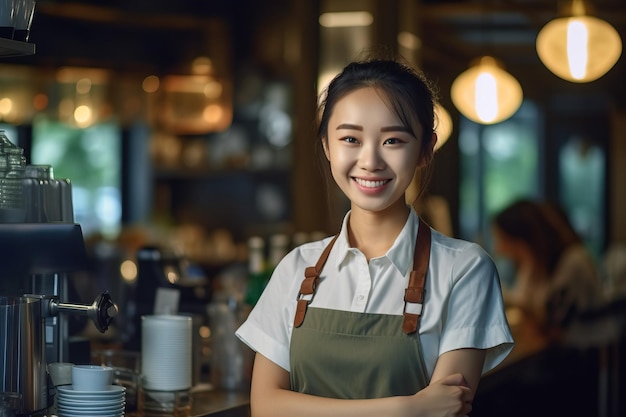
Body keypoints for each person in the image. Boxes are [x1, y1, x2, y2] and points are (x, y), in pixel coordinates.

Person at [235, 55, 514, 417]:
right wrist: (406, 408)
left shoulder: (464, 270)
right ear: (326, 147)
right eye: (350, 138)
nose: (370, 161)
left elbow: (445, 411)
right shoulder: (296, 269)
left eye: (393, 141)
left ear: (426, 150)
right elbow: (266, 407)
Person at [491, 198, 606, 343]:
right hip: (559, 351)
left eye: (501, 239)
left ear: (519, 239)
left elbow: (554, 327)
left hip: (580, 354)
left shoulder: (572, 261)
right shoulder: (534, 263)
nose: (498, 248)